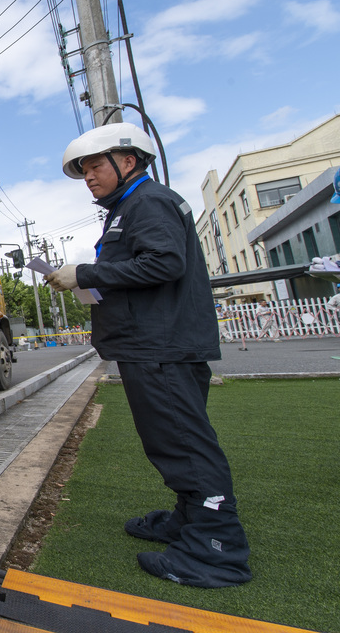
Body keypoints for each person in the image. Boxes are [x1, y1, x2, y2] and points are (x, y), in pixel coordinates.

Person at [45, 122, 251, 588]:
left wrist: (85, 273)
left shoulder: (147, 201)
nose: (88, 177)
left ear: (128, 160)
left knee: (184, 444)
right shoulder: (131, 205)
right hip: (154, 345)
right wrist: (91, 278)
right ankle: (190, 519)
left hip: (161, 346)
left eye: (94, 166)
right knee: (171, 440)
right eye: (83, 171)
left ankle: (217, 549)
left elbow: (164, 262)